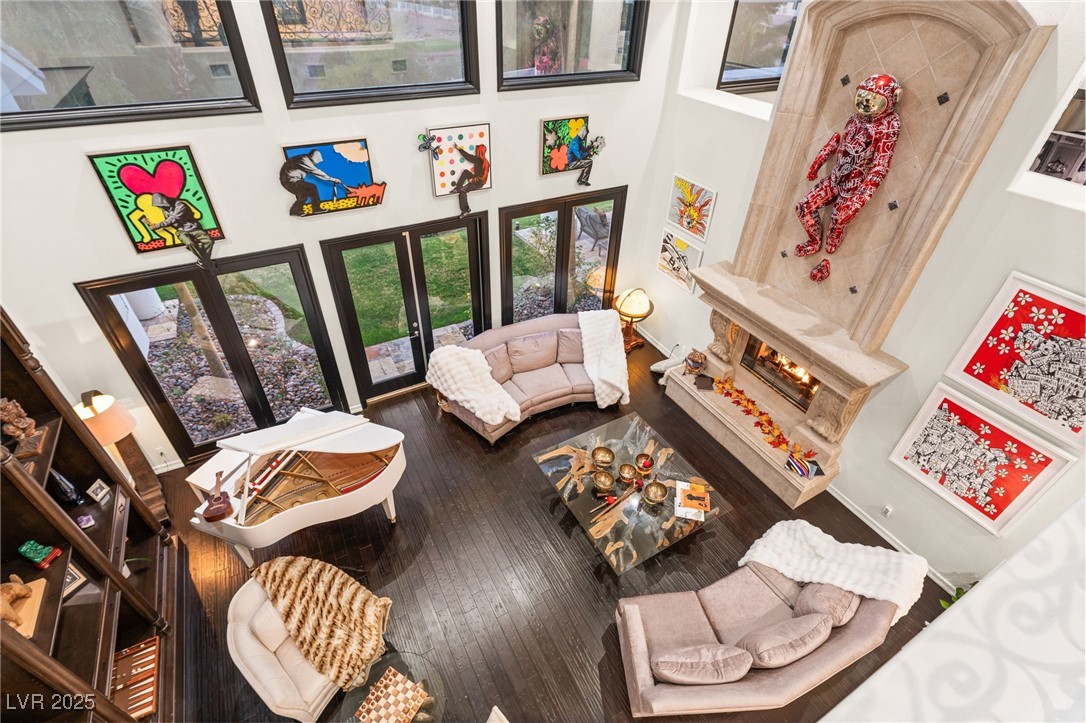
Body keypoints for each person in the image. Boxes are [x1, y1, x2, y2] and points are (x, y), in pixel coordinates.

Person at [149, 193, 215, 267]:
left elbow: (173, 218)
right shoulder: (165, 210)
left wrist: (157, 226)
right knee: (190, 243)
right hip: (181, 231)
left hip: (194, 228)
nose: (159, 208)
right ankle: (205, 261)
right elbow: (170, 222)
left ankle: (202, 261)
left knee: (209, 241)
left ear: (164, 202)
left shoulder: (180, 205)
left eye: (160, 206)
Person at [279, 150, 345, 216]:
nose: (314, 164)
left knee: (303, 195)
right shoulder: (305, 160)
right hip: (290, 180)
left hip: (290, 180)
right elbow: (316, 172)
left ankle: (295, 210)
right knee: (312, 187)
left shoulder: (303, 158)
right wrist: (332, 179)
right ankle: (316, 209)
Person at [449, 144, 489, 217]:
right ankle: (457, 188)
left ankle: (466, 209)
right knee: (465, 172)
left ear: (480, 151)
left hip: (479, 183)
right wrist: (459, 149)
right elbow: (468, 156)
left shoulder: (485, 163)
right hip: (475, 178)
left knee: (463, 190)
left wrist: (473, 180)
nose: (476, 152)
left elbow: (484, 178)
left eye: (477, 151)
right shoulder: (477, 159)